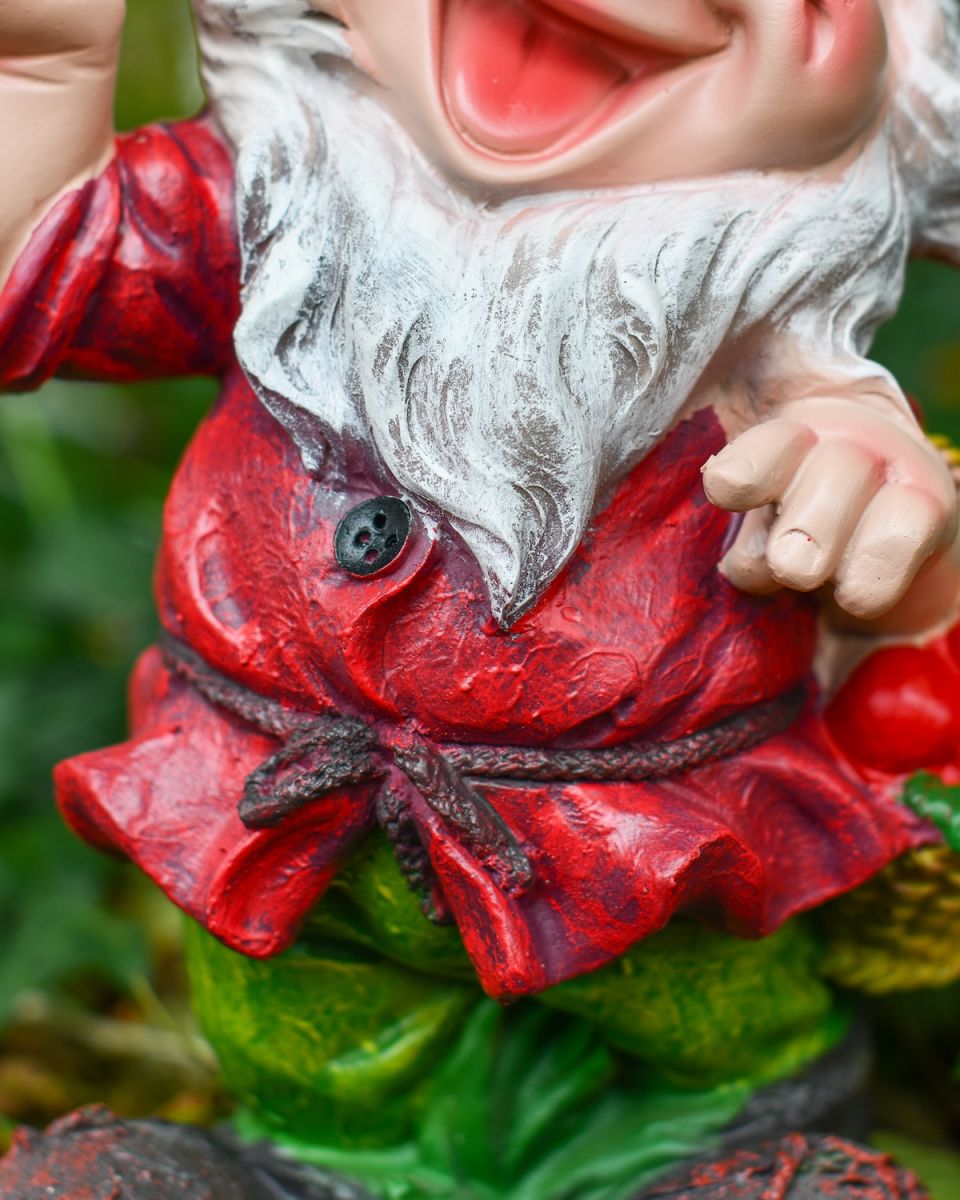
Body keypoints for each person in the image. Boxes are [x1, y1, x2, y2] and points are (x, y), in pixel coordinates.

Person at [1, 1, 959, 1195]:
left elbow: (897, 612)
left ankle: (732, 1162)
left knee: (712, 1062)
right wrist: (37, 76)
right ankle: (295, 1171)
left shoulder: (763, 322)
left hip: (656, 880)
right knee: (311, 1063)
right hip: (294, 836)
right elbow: (42, 268)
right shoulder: (275, 212)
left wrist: (884, 505)